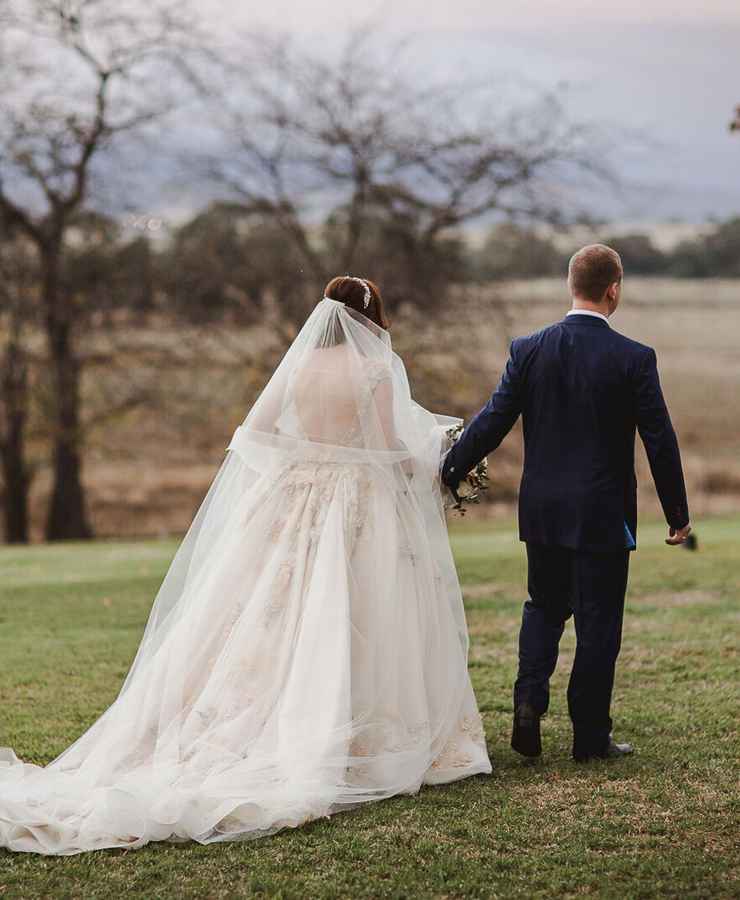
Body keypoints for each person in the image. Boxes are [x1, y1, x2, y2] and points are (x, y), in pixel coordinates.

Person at [0, 276, 490, 856]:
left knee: (273, 612)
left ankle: (256, 722)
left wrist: (301, 462)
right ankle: (357, 736)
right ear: (373, 316)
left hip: (293, 496)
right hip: (357, 501)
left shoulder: (299, 367)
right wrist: (436, 461)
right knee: (358, 608)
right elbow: (386, 446)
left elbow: (254, 435)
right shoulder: (376, 369)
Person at [442, 245, 690, 762]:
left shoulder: (528, 348)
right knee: (599, 624)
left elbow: (492, 420)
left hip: (543, 512)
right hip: (602, 515)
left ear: (570, 285)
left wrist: (449, 468)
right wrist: (678, 516)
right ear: (613, 289)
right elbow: (659, 441)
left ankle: (529, 703)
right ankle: (589, 738)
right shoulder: (634, 357)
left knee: (543, 608)